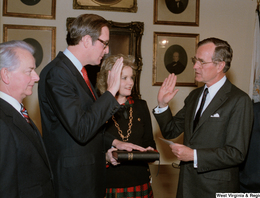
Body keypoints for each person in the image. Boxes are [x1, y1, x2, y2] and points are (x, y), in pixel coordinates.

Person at [38, 14, 146, 198]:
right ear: (87, 40)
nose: (107, 50)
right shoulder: (58, 74)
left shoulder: (79, 73)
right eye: (104, 43)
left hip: (88, 176)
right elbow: (81, 129)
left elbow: (90, 120)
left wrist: (115, 142)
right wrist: (111, 92)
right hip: (74, 181)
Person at [153, 37, 253, 198]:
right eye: (195, 60)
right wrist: (162, 105)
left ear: (220, 65)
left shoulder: (239, 100)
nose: (195, 66)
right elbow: (170, 131)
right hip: (186, 186)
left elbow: (236, 153)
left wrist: (194, 155)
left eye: (201, 62)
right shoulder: (194, 96)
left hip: (215, 189)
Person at [0, 40, 55, 197]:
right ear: (6, 75)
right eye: (29, 71)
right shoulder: (2, 121)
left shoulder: (17, 111)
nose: (36, 78)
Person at [97, 54, 156, 198]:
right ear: (109, 79)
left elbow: (150, 142)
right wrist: (105, 157)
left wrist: (149, 152)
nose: (130, 82)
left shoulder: (141, 106)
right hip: (109, 183)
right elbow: (91, 148)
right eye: (124, 78)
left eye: (132, 77)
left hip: (140, 181)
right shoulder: (97, 108)